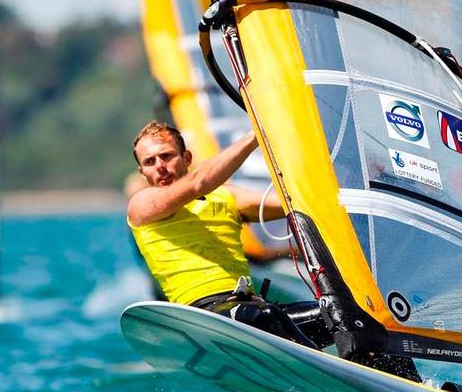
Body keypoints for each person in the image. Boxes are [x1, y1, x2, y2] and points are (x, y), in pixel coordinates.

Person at [126, 121, 329, 349]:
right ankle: (330, 379)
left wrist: (336, 180)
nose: (160, 166)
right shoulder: (142, 205)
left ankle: (367, 367)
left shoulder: (225, 197)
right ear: (142, 171)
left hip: (249, 309)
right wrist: (257, 135)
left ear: (187, 158)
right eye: (150, 162)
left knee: (333, 314)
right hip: (202, 316)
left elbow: (296, 203)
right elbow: (197, 183)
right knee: (264, 316)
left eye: (166, 156)